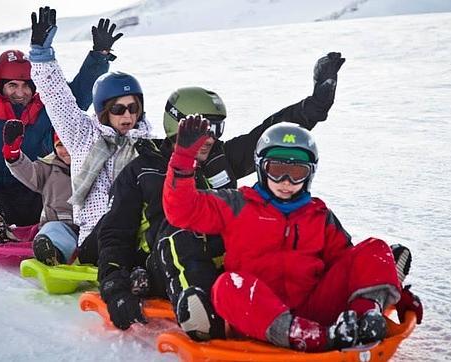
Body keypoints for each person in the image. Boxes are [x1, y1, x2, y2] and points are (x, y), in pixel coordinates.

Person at [93, 52, 346, 339]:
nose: (210, 137)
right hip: (165, 261)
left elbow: (266, 134)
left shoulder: (221, 157)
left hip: (226, 262)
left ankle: (326, 292)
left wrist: (316, 105)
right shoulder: (142, 170)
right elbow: (114, 233)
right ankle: (201, 311)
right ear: (179, 125)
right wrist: (116, 288)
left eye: (217, 128)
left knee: (278, 221)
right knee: (179, 228)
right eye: (202, 128)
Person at [163, 118, 423, 351]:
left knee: (375, 249)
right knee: (227, 286)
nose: (286, 182)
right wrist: (184, 160)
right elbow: (181, 211)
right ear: (262, 169)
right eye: (277, 170)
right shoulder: (237, 204)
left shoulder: (319, 215)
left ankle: (364, 319)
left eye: (297, 173)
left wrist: (391, 291)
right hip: (259, 314)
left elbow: (348, 263)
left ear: (309, 174)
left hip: (314, 308)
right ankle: (315, 337)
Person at [0, 1, 114, 241]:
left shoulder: (48, 109)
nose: (20, 92)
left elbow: (79, 95)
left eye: (26, 86)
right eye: (12, 85)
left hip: (34, 194)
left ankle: (61, 228)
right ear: (0, 85)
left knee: (56, 182)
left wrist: (99, 56)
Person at [29, 7, 151, 259]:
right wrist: (41, 55)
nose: (127, 116)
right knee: (56, 231)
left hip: (137, 236)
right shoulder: (82, 135)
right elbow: (56, 96)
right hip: (96, 237)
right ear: (104, 110)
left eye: (133, 108)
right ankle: (53, 248)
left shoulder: (148, 144)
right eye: (118, 109)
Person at [1, 120, 76, 264]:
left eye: (69, 143)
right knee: (52, 232)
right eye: (59, 145)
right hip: (61, 225)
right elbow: (28, 172)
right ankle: (52, 254)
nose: (65, 150)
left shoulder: (93, 165)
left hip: (90, 227)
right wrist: (13, 153)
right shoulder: (49, 168)